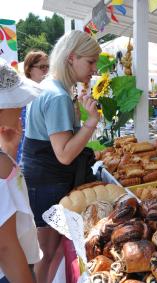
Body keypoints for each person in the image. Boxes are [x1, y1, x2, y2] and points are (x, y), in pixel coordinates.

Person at [22, 30, 101, 283]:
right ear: (72, 58)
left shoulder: (49, 87)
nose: (94, 69)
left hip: (41, 179)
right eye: (90, 62)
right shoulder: (57, 96)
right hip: (47, 182)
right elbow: (65, 154)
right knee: (46, 254)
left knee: (47, 252)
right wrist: (91, 122)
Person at [0, 59, 42, 283]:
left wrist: (8, 148)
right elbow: (5, 247)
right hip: (10, 272)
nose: (20, 107)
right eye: (15, 103)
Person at [16, 51, 49, 163]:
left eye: (48, 67)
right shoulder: (21, 94)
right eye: (42, 67)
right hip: (25, 151)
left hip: (43, 151)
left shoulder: (48, 92)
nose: (46, 70)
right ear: (29, 69)